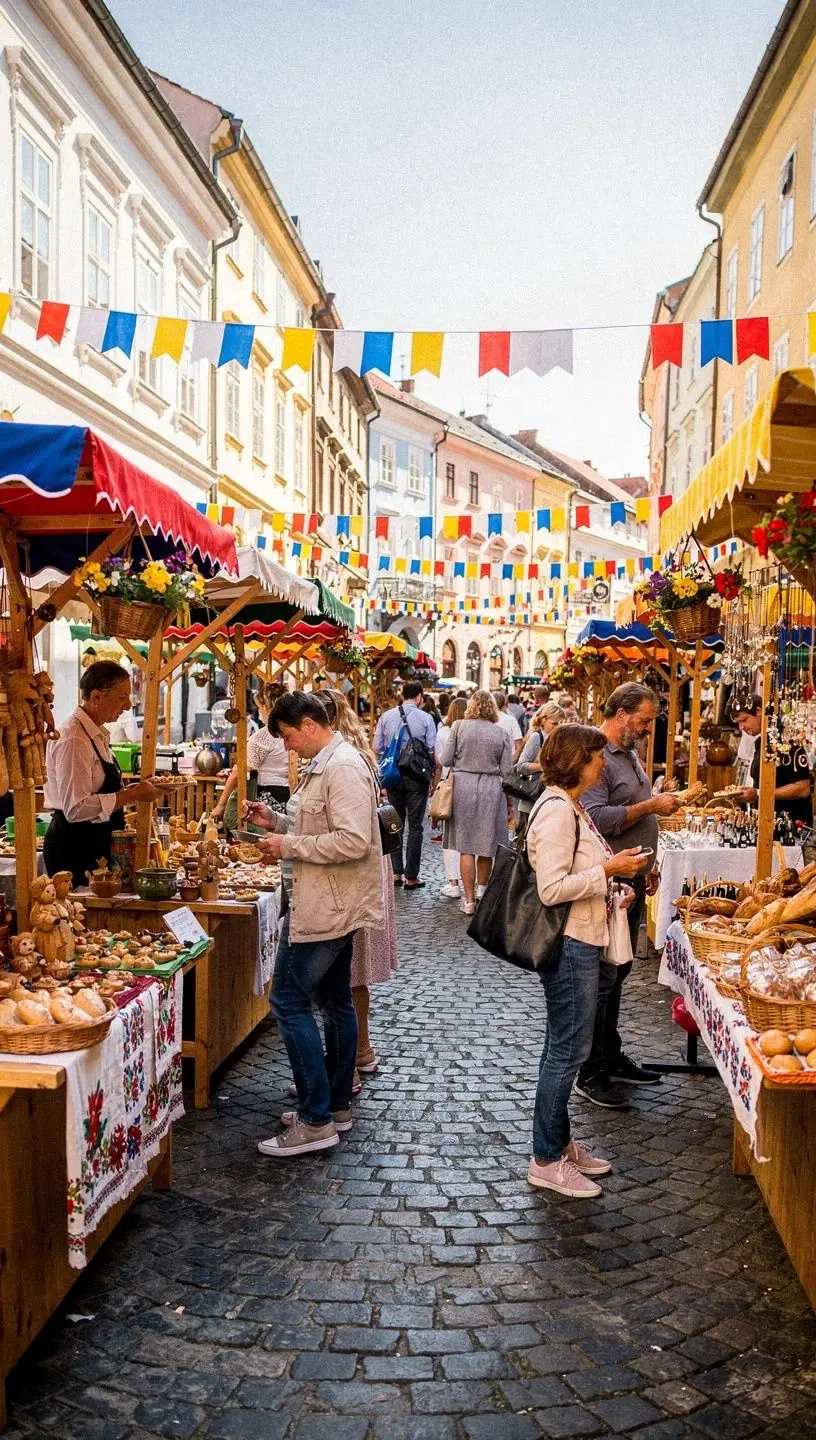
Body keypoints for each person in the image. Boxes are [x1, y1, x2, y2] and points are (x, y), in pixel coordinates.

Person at [244, 692, 383, 1158]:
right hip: (331, 901)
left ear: (307, 724)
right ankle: (335, 1104)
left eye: (287, 736)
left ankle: (315, 1118)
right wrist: (277, 821)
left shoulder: (340, 767)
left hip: (327, 905)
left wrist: (288, 845)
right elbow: (320, 825)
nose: (288, 747)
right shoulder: (332, 761)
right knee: (334, 998)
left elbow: (352, 841)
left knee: (288, 998)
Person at [526, 724, 648, 1197]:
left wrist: (613, 884)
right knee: (567, 1051)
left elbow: (577, 875)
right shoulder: (557, 812)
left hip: (584, 936)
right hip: (570, 943)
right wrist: (608, 871)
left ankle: (558, 1141)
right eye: (597, 757)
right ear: (578, 760)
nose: (603, 764)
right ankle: (546, 1158)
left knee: (563, 1045)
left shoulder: (570, 806)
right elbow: (552, 888)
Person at [580, 682, 681, 1107]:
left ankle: (610, 1055)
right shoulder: (596, 756)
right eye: (641, 720)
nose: (645, 728)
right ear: (620, 713)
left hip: (633, 876)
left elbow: (634, 810)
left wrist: (651, 863)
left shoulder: (629, 754)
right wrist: (651, 807)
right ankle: (591, 1069)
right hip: (610, 878)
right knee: (604, 975)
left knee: (620, 970)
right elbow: (597, 818)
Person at [318, 689, 398, 1079]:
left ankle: (351, 1058)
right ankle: (361, 1051)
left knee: (348, 973)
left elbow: (346, 835)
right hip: (369, 868)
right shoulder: (358, 755)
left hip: (354, 874)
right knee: (353, 972)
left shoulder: (342, 762)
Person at [43, 661, 159, 888]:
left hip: (95, 844)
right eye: (121, 697)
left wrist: (140, 790)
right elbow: (76, 808)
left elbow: (100, 792)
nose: (127, 705)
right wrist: (133, 794)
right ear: (97, 697)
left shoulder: (96, 735)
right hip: (74, 849)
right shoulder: (74, 738)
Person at [437, 689, 512, 916]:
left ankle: (468, 900)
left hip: (463, 786)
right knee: (487, 844)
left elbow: (446, 760)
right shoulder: (501, 734)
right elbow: (507, 771)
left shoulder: (459, 727)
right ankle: (482, 890)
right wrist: (510, 804)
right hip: (491, 788)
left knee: (466, 847)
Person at [374, 679, 436, 890]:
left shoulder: (386, 716)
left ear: (403, 695)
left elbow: (378, 748)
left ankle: (395, 873)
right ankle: (411, 877)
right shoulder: (426, 718)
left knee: (394, 825)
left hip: (392, 776)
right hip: (417, 777)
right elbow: (431, 750)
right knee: (416, 827)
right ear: (419, 697)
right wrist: (432, 778)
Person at [211, 682, 289, 830]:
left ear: (265, 708)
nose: (259, 712)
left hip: (267, 796)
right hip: (289, 796)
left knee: (264, 841)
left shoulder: (263, 737)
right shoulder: (293, 729)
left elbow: (238, 772)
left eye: (259, 708)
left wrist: (220, 806)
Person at [734, 695, 813, 827]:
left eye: (744, 720)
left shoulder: (787, 742)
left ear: (759, 712)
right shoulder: (761, 742)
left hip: (792, 827)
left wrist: (759, 793)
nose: (741, 727)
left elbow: (802, 789)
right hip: (768, 824)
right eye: (738, 723)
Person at [515, 702, 567, 844]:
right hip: (531, 800)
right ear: (543, 720)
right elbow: (521, 766)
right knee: (524, 846)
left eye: (560, 724)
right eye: (554, 723)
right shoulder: (536, 737)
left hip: (545, 799)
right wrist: (544, 766)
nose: (557, 727)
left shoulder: (556, 738)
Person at [435, 697, 467, 899]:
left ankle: (453, 882)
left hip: (449, 784)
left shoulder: (443, 732)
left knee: (450, 835)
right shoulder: (471, 731)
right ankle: (469, 883)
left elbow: (440, 760)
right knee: (469, 835)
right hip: (468, 784)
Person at [493, 690, 524, 762]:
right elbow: (519, 745)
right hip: (507, 762)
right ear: (505, 704)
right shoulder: (511, 720)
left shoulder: (485, 720)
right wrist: (511, 762)